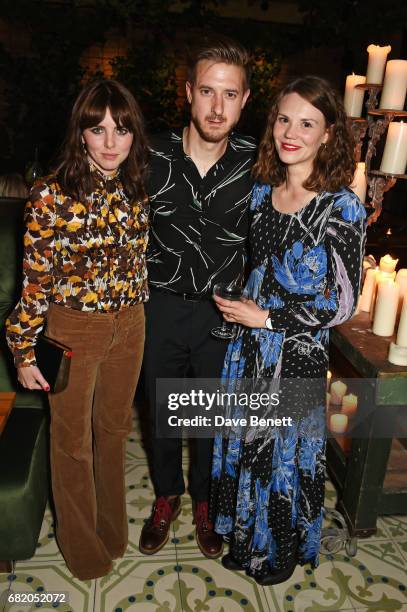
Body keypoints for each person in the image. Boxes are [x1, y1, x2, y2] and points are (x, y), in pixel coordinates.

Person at [211, 76, 366, 584]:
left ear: (327, 135)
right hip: (248, 346)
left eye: (307, 123)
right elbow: (256, 265)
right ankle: (243, 540)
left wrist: (270, 318)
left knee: (282, 455)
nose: (290, 132)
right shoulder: (262, 191)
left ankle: (275, 553)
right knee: (247, 442)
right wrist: (232, 301)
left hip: (295, 352)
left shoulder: (340, 205)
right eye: (283, 119)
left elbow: (342, 302)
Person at [6, 79, 149, 581]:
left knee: (112, 434)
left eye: (122, 129)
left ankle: (112, 531)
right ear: (81, 133)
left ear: (134, 135)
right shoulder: (50, 192)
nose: (111, 142)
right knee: (71, 443)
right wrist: (24, 352)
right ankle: (81, 546)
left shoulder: (136, 186)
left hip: (131, 326)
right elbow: (35, 279)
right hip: (74, 330)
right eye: (98, 129)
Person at [140, 38, 256, 558]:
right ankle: (167, 496)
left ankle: (206, 503)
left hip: (222, 312)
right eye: (207, 91)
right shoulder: (148, 154)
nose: (216, 107)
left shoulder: (260, 162)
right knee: (163, 411)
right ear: (188, 92)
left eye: (229, 95)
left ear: (245, 100)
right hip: (159, 304)